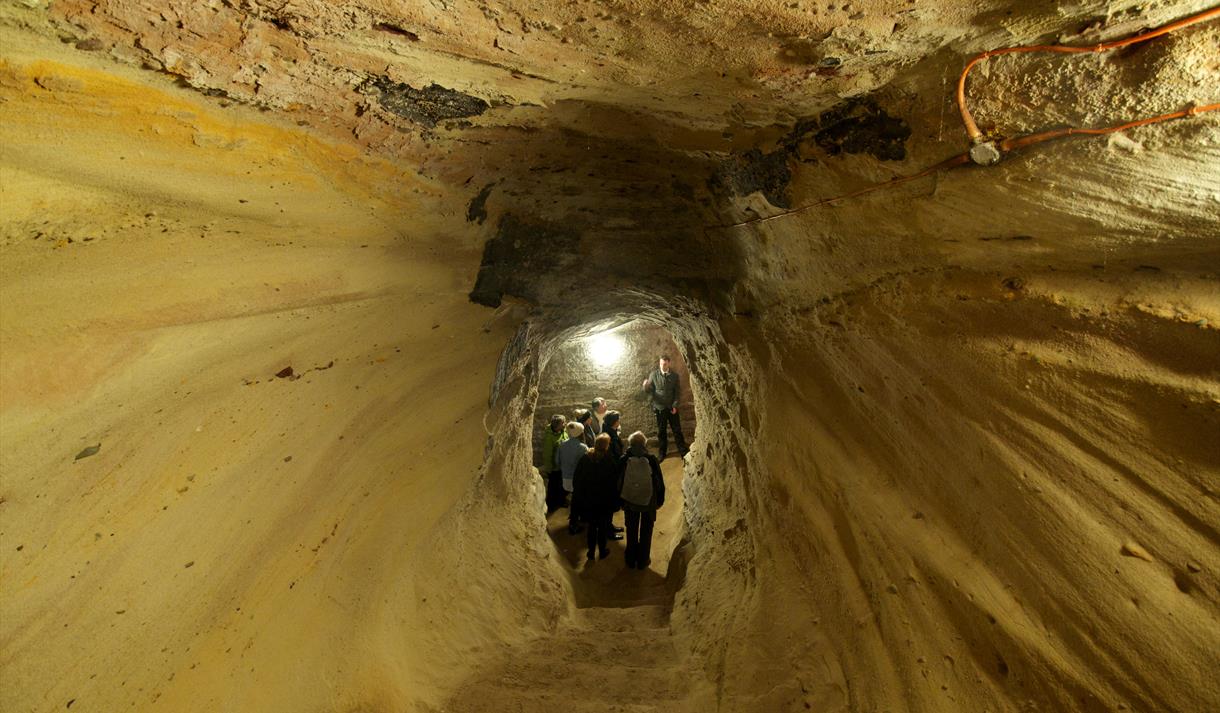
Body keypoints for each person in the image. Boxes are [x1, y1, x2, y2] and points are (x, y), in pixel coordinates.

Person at [618, 431, 665, 570]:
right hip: (648, 501)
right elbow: (659, 482)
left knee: (631, 529)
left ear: (630, 444)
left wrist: (620, 500)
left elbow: (618, 481)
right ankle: (643, 560)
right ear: (645, 443)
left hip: (630, 501)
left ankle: (630, 559)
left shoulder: (624, 459)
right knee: (646, 530)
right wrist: (660, 500)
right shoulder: (651, 459)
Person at [571, 434, 621, 561]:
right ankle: (602, 550)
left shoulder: (586, 458)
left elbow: (577, 479)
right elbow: (614, 482)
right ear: (606, 446)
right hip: (604, 501)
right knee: (602, 527)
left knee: (592, 527)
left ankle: (591, 552)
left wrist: (580, 497)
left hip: (589, 500)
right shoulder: (609, 460)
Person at [642, 355, 689, 459]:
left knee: (677, 430)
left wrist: (675, 405)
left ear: (669, 363)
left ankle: (683, 451)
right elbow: (650, 391)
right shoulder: (654, 375)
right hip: (660, 408)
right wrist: (645, 386)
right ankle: (662, 453)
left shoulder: (674, 376)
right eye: (661, 364)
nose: (662, 366)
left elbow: (677, 392)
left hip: (672, 407)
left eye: (664, 364)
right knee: (661, 431)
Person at [557, 421, 589, 535]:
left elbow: (557, 461)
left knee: (574, 499)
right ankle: (574, 523)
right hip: (578, 480)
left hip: (566, 478)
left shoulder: (562, 444)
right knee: (577, 500)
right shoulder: (583, 447)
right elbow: (586, 466)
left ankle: (575, 518)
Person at [540, 414, 567, 514]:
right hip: (555, 467)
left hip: (561, 465)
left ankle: (560, 500)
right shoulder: (549, 437)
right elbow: (547, 454)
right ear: (558, 425)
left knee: (560, 485)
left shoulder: (562, 431)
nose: (565, 424)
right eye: (563, 423)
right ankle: (552, 503)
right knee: (554, 486)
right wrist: (549, 468)